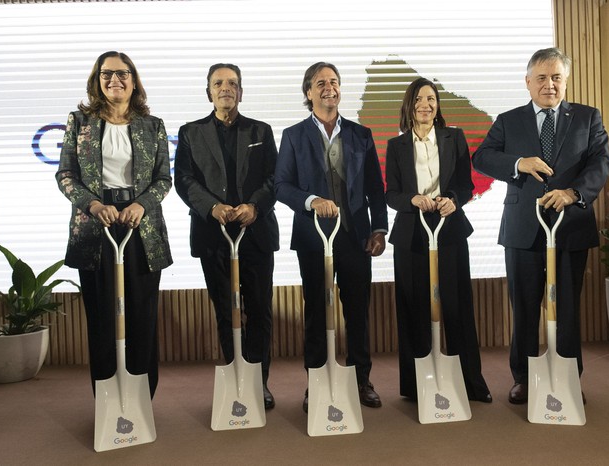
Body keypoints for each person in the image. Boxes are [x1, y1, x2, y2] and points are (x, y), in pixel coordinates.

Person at [472, 47, 609, 404]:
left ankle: (566, 376)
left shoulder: (587, 117)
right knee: (524, 306)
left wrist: (573, 192)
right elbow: (482, 157)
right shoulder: (508, 119)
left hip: (571, 226)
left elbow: (601, 162)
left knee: (566, 307)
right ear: (528, 82)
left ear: (565, 81)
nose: (549, 85)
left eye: (556, 77)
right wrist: (518, 162)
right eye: (542, 78)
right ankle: (522, 377)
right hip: (523, 228)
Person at [56, 51, 172, 398]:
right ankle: (107, 398)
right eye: (106, 74)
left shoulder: (153, 126)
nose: (114, 80)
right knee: (103, 317)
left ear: (134, 81)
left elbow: (163, 179)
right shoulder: (79, 122)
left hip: (141, 227)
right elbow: (65, 175)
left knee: (141, 315)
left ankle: (141, 398)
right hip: (96, 227)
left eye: (122, 74)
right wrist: (92, 204)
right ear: (97, 80)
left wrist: (141, 204)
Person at [275, 62, 388, 412]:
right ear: (308, 92)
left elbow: (374, 188)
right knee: (317, 314)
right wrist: (311, 201)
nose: (329, 88)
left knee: (357, 312)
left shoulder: (361, 134)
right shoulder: (293, 136)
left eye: (334, 82)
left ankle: (360, 379)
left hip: (355, 238)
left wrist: (379, 229)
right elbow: (281, 185)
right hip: (313, 239)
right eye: (320, 83)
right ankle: (317, 381)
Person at [174, 63, 279, 409]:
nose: (226, 88)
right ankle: (235, 376)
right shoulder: (190, 132)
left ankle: (258, 381)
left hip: (256, 233)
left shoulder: (261, 130)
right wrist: (212, 208)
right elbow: (184, 180)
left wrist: (254, 206)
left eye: (232, 83)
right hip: (212, 234)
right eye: (218, 83)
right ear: (209, 91)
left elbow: (273, 179)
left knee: (260, 311)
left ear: (241, 92)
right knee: (225, 311)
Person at [385, 78, 492, 403]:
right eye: (419, 99)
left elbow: (465, 185)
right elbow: (391, 194)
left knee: (458, 306)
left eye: (431, 99)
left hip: (449, 229)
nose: (425, 105)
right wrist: (413, 200)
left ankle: (472, 384)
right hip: (411, 234)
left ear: (437, 105)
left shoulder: (454, 137)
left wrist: (453, 200)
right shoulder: (396, 145)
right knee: (412, 308)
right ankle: (416, 387)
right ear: (409, 105)